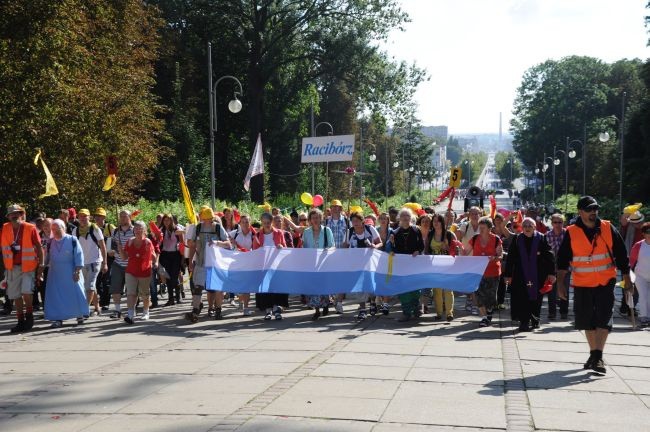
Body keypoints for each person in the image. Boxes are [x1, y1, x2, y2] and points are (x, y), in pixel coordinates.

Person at [556, 196, 632, 374]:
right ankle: (594, 353)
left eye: (595, 209)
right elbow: (562, 260)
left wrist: (627, 277)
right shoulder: (571, 231)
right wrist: (560, 284)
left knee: (604, 319)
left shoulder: (607, 227)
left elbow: (621, 253)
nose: (593, 212)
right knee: (586, 321)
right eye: (589, 209)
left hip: (606, 281)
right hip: (582, 283)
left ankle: (598, 356)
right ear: (580, 212)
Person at [505, 217, 556, 332]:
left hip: (538, 275)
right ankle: (524, 322)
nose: (527, 228)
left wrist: (551, 273)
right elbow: (511, 258)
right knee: (522, 298)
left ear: (534, 227)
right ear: (522, 228)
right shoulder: (517, 239)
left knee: (536, 298)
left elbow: (550, 257)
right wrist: (508, 274)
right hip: (520, 275)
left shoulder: (541, 238)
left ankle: (535, 319)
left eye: (530, 226)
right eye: (525, 226)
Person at [2, 204, 44, 333]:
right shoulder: (5, 228)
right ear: (8, 217)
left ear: (22, 214)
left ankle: (29, 317)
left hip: (28, 266)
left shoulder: (30, 228)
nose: (15, 216)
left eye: (17, 213)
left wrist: (41, 264)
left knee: (26, 292)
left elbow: (38, 246)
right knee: (15, 295)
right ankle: (20, 321)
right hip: (12, 267)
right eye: (12, 214)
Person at [186, 207, 231, 322]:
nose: (199, 216)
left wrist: (217, 242)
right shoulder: (198, 227)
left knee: (217, 288)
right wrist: (191, 260)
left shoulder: (217, 227)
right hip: (201, 262)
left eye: (201, 214)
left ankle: (218, 310)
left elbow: (228, 244)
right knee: (197, 287)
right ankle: (195, 311)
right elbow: (193, 245)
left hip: (215, 263)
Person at [44, 219, 88, 328]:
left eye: (57, 229)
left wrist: (77, 271)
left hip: (71, 272)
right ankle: (57, 318)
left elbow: (79, 256)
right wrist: (41, 269)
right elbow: (46, 258)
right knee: (56, 297)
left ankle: (79, 315)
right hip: (55, 274)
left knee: (76, 293)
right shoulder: (50, 242)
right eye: (53, 229)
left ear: (63, 228)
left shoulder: (72, 240)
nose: (54, 231)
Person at [465, 217, 503, 327]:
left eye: (483, 228)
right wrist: (458, 247)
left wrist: (494, 258)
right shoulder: (475, 238)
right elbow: (465, 252)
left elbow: (500, 255)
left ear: (489, 229)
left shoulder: (496, 239)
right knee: (478, 295)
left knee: (490, 297)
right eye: (480, 227)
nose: (480, 229)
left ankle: (489, 312)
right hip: (477, 272)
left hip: (493, 272)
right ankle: (484, 317)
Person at [118, 221, 157, 324]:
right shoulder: (130, 241)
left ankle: (146, 311)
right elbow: (124, 257)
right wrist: (120, 250)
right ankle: (130, 315)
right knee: (131, 293)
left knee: (144, 294)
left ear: (144, 230)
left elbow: (153, 258)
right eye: (136, 228)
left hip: (144, 271)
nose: (137, 230)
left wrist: (152, 254)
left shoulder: (148, 242)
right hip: (131, 271)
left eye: (140, 228)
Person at [390, 208, 424, 322]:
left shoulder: (416, 230)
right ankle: (406, 313)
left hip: (414, 264)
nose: (405, 218)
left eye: (407, 216)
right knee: (404, 289)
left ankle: (417, 309)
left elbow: (421, 245)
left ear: (411, 218)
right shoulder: (394, 232)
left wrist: (418, 251)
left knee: (415, 287)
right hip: (401, 266)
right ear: (399, 218)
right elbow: (392, 248)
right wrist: (392, 249)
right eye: (403, 216)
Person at [72, 209, 108, 317]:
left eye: (85, 216)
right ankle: (97, 308)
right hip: (83, 263)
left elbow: (103, 246)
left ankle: (84, 309)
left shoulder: (95, 228)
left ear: (89, 217)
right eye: (80, 216)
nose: (82, 218)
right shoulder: (75, 231)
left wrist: (105, 263)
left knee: (90, 286)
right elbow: (74, 249)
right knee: (90, 286)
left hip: (95, 261)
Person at [347, 212, 382, 319]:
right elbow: (345, 245)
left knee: (370, 284)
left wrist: (374, 246)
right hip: (356, 263)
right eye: (353, 221)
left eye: (357, 221)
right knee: (359, 286)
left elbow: (380, 243)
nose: (355, 223)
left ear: (362, 221)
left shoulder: (370, 229)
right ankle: (362, 309)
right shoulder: (350, 231)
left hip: (370, 262)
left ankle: (372, 303)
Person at [254, 212, 288, 320]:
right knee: (265, 290)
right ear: (262, 223)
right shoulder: (258, 235)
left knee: (276, 288)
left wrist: (281, 246)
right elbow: (255, 250)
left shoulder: (278, 233)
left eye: (268, 222)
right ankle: (268, 311)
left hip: (277, 265)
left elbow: (285, 247)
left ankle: (277, 310)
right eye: (264, 223)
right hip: (263, 266)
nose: (267, 225)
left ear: (271, 222)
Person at [426, 213, 459, 321]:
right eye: (434, 221)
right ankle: (439, 312)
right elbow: (426, 250)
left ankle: (449, 313)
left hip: (447, 265)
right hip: (434, 266)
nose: (436, 223)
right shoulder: (430, 235)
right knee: (437, 290)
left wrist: (448, 248)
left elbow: (457, 250)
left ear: (442, 222)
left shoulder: (449, 234)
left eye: (438, 220)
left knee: (448, 289)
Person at [302, 208, 335, 320]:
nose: (315, 220)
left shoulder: (327, 230)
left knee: (324, 286)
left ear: (321, 218)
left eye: (317, 217)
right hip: (311, 264)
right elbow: (304, 248)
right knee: (313, 287)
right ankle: (316, 310)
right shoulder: (306, 232)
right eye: (313, 218)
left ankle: (325, 305)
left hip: (324, 262)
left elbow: (332, 245)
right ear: (310, 220)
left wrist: (328, 249)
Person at [109, 210, 134, 318]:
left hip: (131, 264)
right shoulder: (115, 231)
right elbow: (112, 247)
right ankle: (117, 310)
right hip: (118, 263)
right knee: (115, 288)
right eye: (121, 216)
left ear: (130, 217)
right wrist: (112, 251)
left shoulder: (134, 231)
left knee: (131, 290)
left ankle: (130, 311)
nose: (123, 218)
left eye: (125, 216)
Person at [326, 199, 350, 314]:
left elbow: (352, 235)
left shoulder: (346, 221)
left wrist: (348, 243)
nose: (335, 208)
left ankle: (339, 302)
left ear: (341, 209)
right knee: (330, 278)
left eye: (337, 207)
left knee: (343, 279)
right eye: (333, 206)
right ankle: (333, 298)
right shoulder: (326, 222)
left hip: (343, 255)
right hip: (329, 255)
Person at [457, 206, 481, 315]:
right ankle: (470, 301)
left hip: (480, 259)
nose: (475, 216)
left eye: (477, 214)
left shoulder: (483, 226)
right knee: (469, 282)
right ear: (469, 215)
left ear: (480, 214)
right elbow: (459, 236)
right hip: (466, 258)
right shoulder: (465, 225)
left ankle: (474, 303)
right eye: (473, 214)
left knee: (477, 283)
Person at [545, 213, 569, 320]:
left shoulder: (568, 234)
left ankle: (564, 311)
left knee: (565, 289)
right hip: (551, 268)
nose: (558, 224)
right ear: (552, 223)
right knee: (551, 291)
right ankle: (552, 312)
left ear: (563, 223)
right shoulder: (547, 236)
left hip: (566, 268)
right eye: (555, 222)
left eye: (560, 222)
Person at [620, 210, 644, 315]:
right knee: (626, 283)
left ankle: (632, 308)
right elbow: (622, 223)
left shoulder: (646, 229)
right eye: (635, 222)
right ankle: (625, 304)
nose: (637, 224)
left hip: (641, 262)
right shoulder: (626, 227)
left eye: (639, 222)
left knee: (637, 286)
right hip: (627, 259)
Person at [159, 214, 184, 306]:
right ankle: (171, 298)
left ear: (171, 221)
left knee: (174, 276)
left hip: (175, 255)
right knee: (169, 277)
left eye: (168, 220)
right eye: (164, 220)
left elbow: (182, 243)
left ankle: (178, 296)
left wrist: (183, 258)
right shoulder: (161, 230)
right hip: (165, 255)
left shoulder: (176, 229)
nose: (166, 222)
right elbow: (157, 241)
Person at [93, 208, 114, 311]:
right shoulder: (93, 228)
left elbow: (116, 239)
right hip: (97, 257)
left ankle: (105, 302)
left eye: (99, 216)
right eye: (96, 216)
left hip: (108, 258)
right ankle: (99, 300)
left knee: (106, 280)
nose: (97, 218)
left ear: (104, 217)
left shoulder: (110, 227)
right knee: (97, 281)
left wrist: (113, 250)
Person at [629, 222, 650, 325]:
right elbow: (632, 261)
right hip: (640, 275)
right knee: (643, 295)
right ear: (643, 233)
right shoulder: (638, 245)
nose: (649, 234)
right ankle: (644, 317)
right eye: (647, 232)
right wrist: (628, 275)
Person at [493, 212, 514, 310]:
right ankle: (492, 302)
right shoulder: (490, 230)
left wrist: (510, 216)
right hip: (492, 260)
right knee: (492, 282)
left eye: (500, 220)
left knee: (502, 282)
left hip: (504, 260)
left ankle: (500, 302)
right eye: (496, 219)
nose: (498, 221)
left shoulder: (507, 232)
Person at [376, 212, 394, 315]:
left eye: (385, 219)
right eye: (381, 218)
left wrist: (393, 242)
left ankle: (386, 304)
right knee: (378, 281)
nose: (383, 220)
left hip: (388, 260)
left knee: (387, 281)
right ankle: (378, 301)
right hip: (377, 261)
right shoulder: (375, 231)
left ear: (388, 221)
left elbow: (395, 247)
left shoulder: (392, 232)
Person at [33, 217, 52, 311]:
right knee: (43, 288)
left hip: (55, 266)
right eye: (44, 225)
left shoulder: (56, 235)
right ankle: (46, 309)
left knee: (54, 287)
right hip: (42, 265)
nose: (46, 227)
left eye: (48, 225)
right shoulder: (38, 236)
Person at [417, 214, 433, 315]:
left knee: (427, 285)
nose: (425, 223)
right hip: (417, 263)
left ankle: (425, 305)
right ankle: (420, 306)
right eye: (423, 221)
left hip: (429, 263)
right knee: (418, 284)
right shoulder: (416, 233)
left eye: (428, 221)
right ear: (420, 222)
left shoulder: (433, 234)